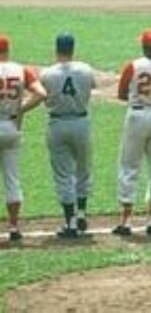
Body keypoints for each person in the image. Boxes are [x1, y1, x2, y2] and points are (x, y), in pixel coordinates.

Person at [114, 29, 151, 236]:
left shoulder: (134, 66)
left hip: (137, 116)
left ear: (143, 45)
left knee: (129, 166)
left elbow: (121, 94)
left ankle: (126, 220)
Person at [39, 33, 95, 239]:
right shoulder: (86, 69)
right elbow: (91, 88)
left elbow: (42, 95)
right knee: (83, 170)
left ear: (56, 49)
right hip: (81, 122)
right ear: (73, 48)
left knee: (63, 174)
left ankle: (70, 221)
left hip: (58, 123)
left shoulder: (47, 73)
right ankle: (81, 213)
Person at [0, 35, 46, 242]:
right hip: (11, 126)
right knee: (12, 178)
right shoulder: (21, 70)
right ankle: (13, 226)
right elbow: (40, 94)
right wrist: (21, 110)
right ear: (7, 50)